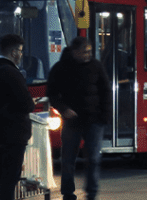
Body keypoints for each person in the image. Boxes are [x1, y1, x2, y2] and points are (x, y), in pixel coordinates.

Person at [47, 36, 111, 200]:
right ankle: (68, 192)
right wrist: (63, 109)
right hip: (72, 120)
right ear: (75, 52)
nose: (88, 55)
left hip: (94, 119)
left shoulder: (96, 66)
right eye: (84, 52)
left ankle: (91, 192)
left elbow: (106, 91)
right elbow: (52, 93)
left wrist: (104, 116)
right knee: (68, 158)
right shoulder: (61, 68)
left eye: (89, 51)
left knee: (93, 158)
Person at [0, 34, 35, 200]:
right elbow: (27, 104)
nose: (21, 55)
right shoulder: (12, 73)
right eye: (20, 51)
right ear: (13, 52)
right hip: (13, 134)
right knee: (9, 179)